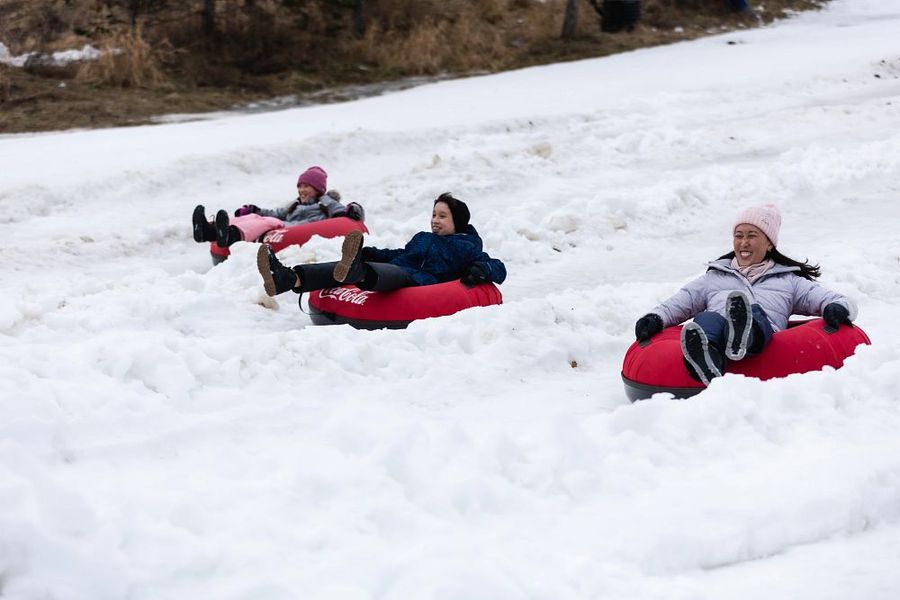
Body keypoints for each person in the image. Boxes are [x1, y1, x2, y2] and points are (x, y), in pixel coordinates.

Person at [632, 204, 857, 386]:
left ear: (769, 244)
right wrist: (655, 318)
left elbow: (830, 298)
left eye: (752, 236)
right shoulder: (715, 278)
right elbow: (682, 301)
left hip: (764, 339)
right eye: (738, 236)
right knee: (707, 320)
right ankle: (706, 358)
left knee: (752, 313)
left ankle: (743, 334)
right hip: (718, 336)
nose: (744, 242)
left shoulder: (788, 281)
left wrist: (840, 308)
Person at [256, 192, 507, 297]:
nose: (435, 221)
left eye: (442, 216)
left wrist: (482, 271)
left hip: (420, 281)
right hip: (400, 269)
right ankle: (287, 279)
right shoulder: (423, 237)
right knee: (356, 265)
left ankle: (356, 269)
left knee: (376, 270)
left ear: (458, 222)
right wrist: (373, 253)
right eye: (433, 215)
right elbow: (401, 254)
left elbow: (496, 267)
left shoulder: (467, 246)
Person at [192, 166, 363, 248]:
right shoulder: (295, 204)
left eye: (306, 186)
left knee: (268, 222)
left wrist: (351, 210)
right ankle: (209, 231)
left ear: (318, 188)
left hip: (301, 230)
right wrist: (254, 210)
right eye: (300, 186)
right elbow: (277, 213)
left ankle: (232, 235)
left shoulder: (324, 201)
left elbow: (340, 211)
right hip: (286, 227)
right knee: (258, 218)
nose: (302, 190)